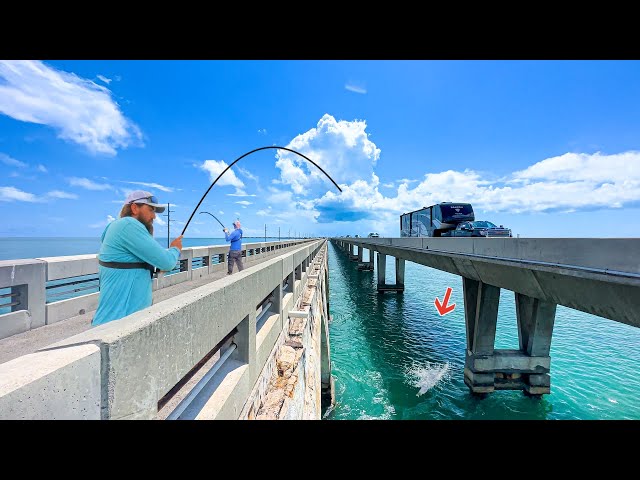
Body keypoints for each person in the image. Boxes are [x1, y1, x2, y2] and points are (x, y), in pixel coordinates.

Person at [92, 190, 183, 326]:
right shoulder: (129, 225)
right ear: (134, 208)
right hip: (119, 325)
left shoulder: (114, 227)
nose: (154, 216)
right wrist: (175, 249)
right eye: (151, 210)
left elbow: (131, 263)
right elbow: (168, 262)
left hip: (113, 322)